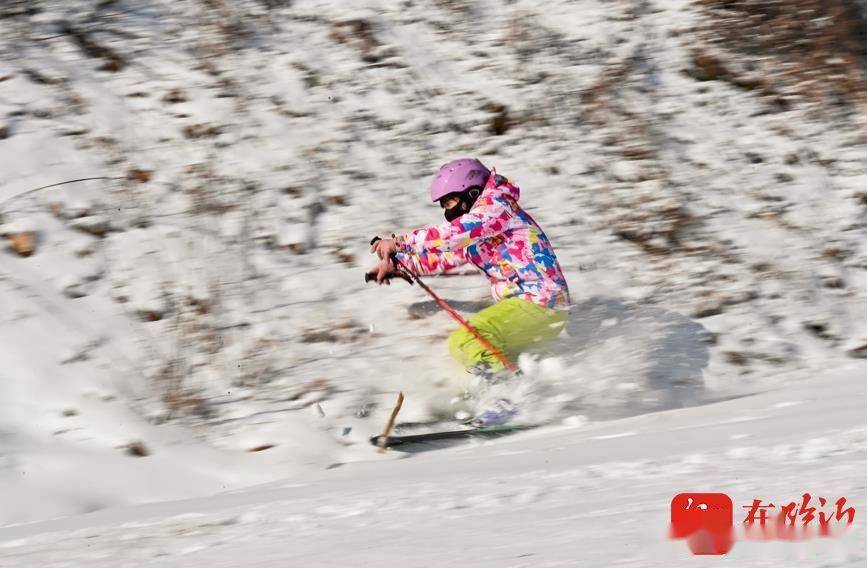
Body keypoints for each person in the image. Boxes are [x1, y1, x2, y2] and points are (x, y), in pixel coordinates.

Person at [368, 158, 571, 380]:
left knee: (467, 339)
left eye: (450, 201)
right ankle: (502, 396)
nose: (447, 210)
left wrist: (400, 242)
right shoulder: (481, 226)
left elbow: (452, 235)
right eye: (444, 204)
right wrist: (402, 265)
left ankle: (502, 392)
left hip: (539, 303)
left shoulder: (495, 209)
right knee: (471, 349)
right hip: (537, 310)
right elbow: (447, 254)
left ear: (472, 193)